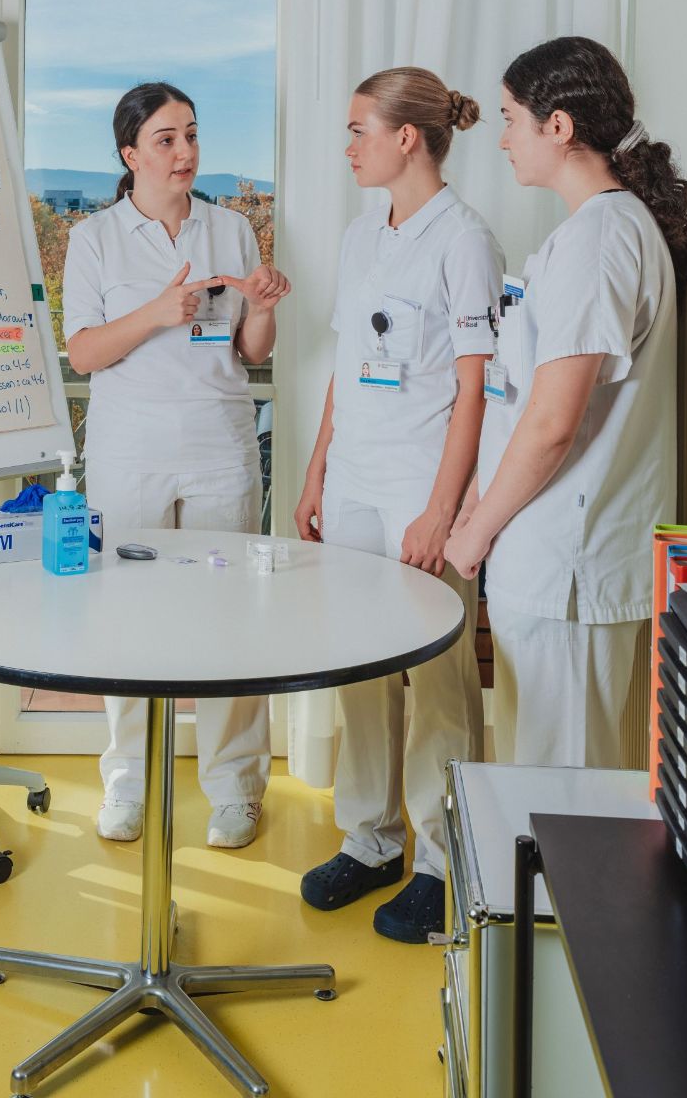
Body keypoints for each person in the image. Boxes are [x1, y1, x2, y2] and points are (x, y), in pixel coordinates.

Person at [443, 36, 687, 770]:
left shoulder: (602, 238)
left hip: (571, 571)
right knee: (552, 791)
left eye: (510, 119)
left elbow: (554, 424)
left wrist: (474, 531)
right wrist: (481, 502)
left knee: (564, 807)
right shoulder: (588, 234)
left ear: (558, 127)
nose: (501, 139)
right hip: (554, 560)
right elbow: (530, 404)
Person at [296, 66, 504, 944]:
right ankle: (371, 838)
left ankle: (442, 861)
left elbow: (475, 390)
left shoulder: (465, 239)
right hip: (352, 482)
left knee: (440, 680)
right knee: (359, 667)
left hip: (422, 488)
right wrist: (313, 474)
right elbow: (347, 370)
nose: (347, 147)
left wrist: (442, 510)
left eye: (358, 130)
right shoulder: (359, 236)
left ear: (406, 137)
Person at [62, 82, 291, 849]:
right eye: (166, 139)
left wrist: (261, 307)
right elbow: (85, 351)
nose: (186, 152)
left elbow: (253, 354)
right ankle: (127, 781)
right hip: (129, 452)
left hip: (221, 447)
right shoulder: (96, 238)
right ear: (130, 155)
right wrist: (158, 312)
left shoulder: (232, 230)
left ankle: (234, 788)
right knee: (126, 618)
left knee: (231, 618)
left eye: (191, 135)